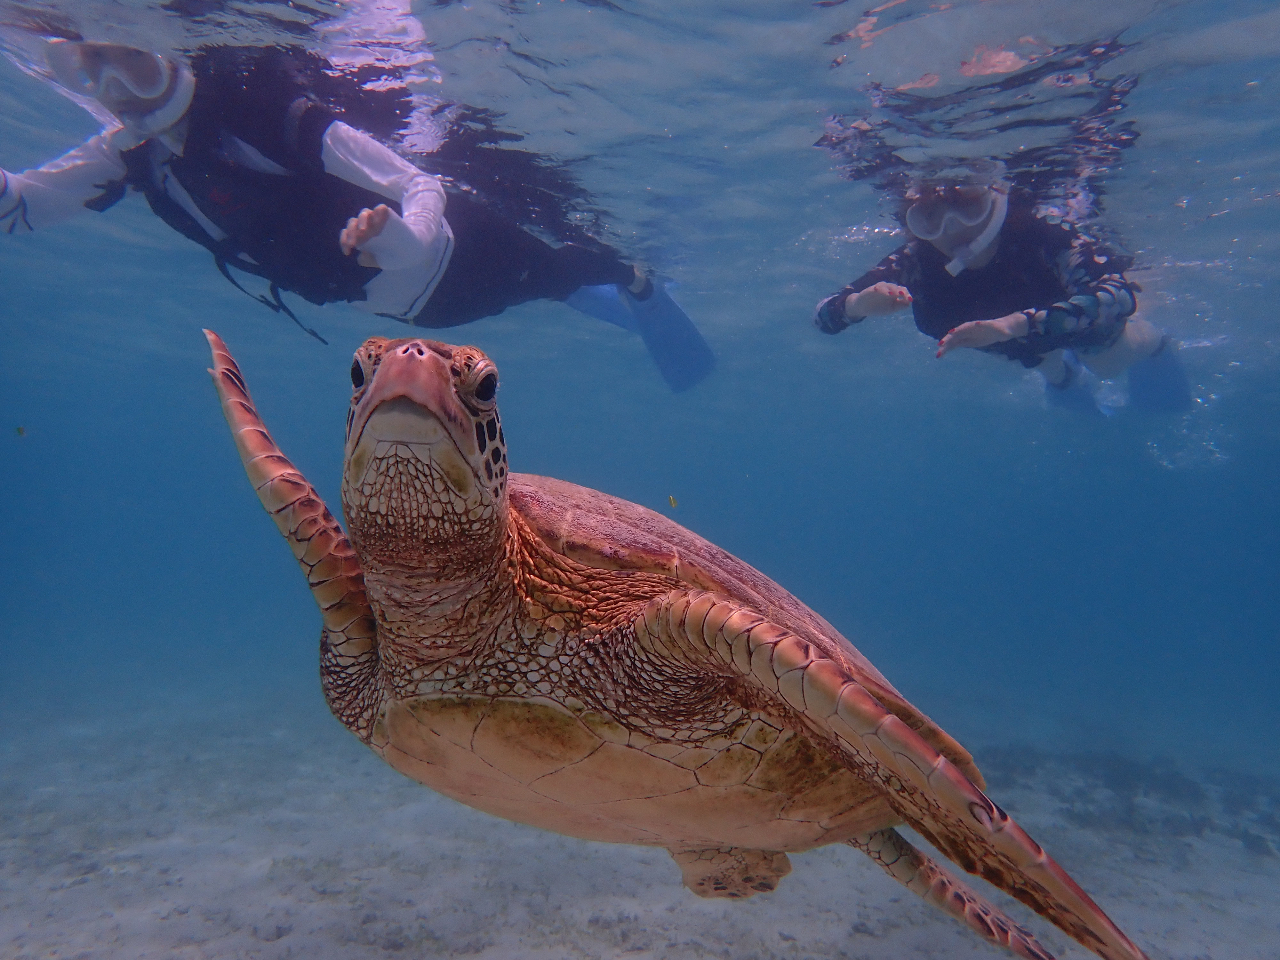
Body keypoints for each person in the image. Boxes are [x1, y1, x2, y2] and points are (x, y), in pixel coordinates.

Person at [1, 40, 714, 391]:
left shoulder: (265, 113)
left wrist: (410, 240)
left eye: (134, 65)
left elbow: (417, 180)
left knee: (555, 275)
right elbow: (21, 208)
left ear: (172, 58)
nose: (123, 94)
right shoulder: (131, 152)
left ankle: (636, 279)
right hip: (417, 315)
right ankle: (628, 304)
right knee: (551, 288)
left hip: (461, 253)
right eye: (94, 76)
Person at [813, 175, 1191, 413]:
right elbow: (824, 316)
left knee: (1106, 363)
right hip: (1010, 343)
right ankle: (1060, 378)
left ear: (995, 198)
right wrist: (858, 304)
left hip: (1071, 326)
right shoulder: (916, 259)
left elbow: (1118, 295)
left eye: (968, 206)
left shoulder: (1042, 231)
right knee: (1046, 365)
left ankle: (1152, 343)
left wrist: (1018, 324)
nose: (953, 229)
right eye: (931, 217)